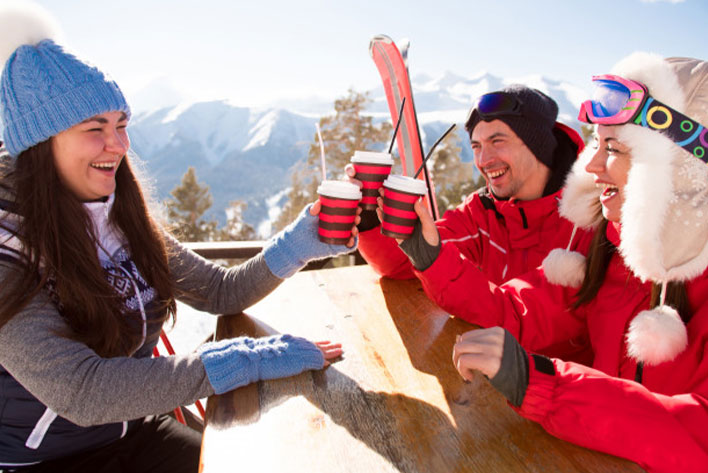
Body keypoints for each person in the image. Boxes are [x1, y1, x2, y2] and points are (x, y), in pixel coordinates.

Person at [0, 6, 356, 473]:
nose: (120, 146)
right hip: (46, 461)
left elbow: (219, 291)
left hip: (136, 432)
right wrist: (241, 361)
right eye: (95, 130)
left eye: (121, 125)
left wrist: (301, 243)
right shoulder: (9, 252)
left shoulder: (121, 219)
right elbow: (81, 392)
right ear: (42, 145)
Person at [451, 52, 708, 473]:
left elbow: (699, 432)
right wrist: (423, 252)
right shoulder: (616, 254)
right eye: (597, 144)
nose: (590, 165)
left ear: (679, 172)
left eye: (615, 148)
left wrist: (543, 385)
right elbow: (523, 309)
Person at [349, 84, 587, 287]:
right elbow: (407, 263)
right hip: (481, 341)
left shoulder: (592, 217)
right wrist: (370, 214)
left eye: (497, 141)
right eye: (476, 146)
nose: (483, 160)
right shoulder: (481, 213)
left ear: (538, 146)